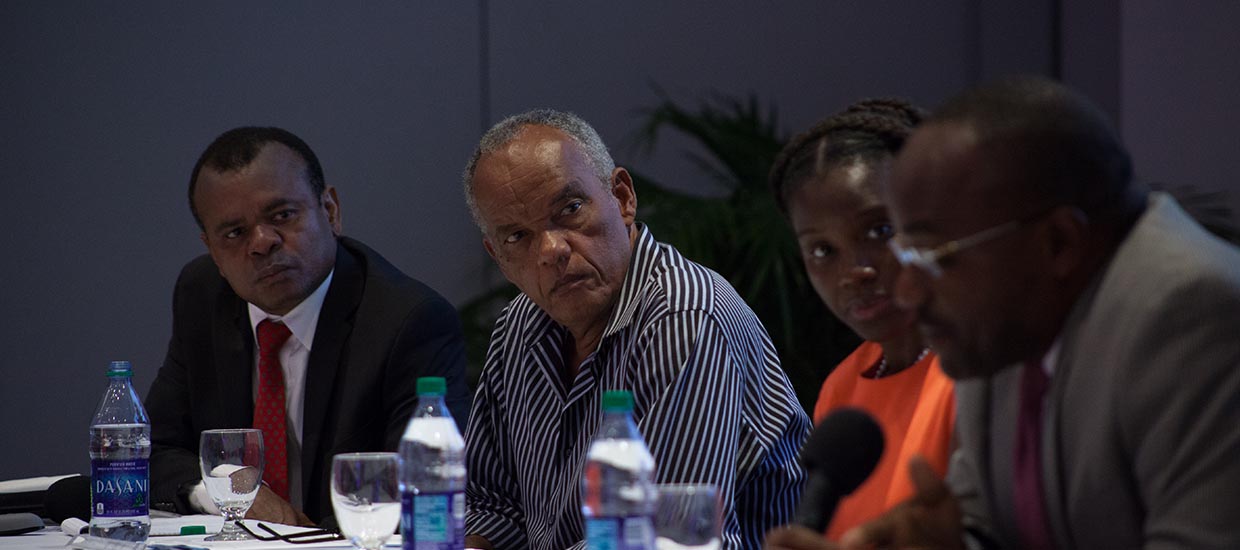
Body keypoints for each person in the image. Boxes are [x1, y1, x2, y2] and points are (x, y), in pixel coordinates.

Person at [770, 76, 1240, 549]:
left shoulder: (1194, 317)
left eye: (936, 258)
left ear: (1057, 243)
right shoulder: (1003, 326)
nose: (908, 292)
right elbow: (987, 525)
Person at [461, 109, 810, 549]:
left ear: (623, 197)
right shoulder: (517, 329)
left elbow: (662, 536)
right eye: (517, 237)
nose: (551, 250)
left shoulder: (684, 317)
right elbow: (489, 507)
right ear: (497, 256)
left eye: (569, 210)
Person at [144, 127, 471, 526]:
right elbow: (150, 451)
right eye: (235, 233)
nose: (262, 243)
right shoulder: (202, 295)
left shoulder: (408, 322)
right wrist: (230, 488)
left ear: (330, 211)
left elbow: (418, 497)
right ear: (212, 249)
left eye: (282, 215)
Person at [767, 99, 955, 540]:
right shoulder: (841, 388)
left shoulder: (976, 371)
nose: (855, 271)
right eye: (823, 251)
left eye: (879, 231)